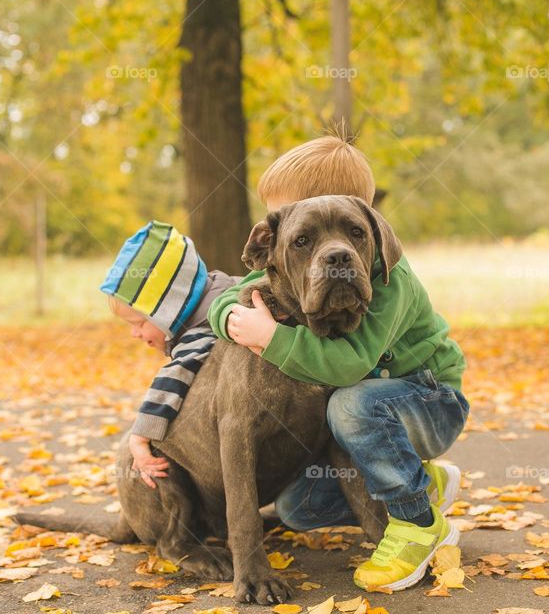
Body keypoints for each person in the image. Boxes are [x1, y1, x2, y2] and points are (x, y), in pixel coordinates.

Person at [207, 135, 469, 592]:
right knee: (297, 508)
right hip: (378, 416)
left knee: (349, 403)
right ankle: (420, 481)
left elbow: (347, 367)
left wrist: (269, 337)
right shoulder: (279, 260)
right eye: (303, 238)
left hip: (430, 400)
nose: (335, 252)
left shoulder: (392, 282)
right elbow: (239, 286)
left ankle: (417, 525)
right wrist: (227, 315)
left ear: (376, 234)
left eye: (351, 233)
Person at [100, 221, 237, 488]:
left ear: (169, 309)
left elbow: (174, 376)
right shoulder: (225, 288)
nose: (135, 334)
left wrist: (139, 437)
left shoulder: (201, 331)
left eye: (139, 323)